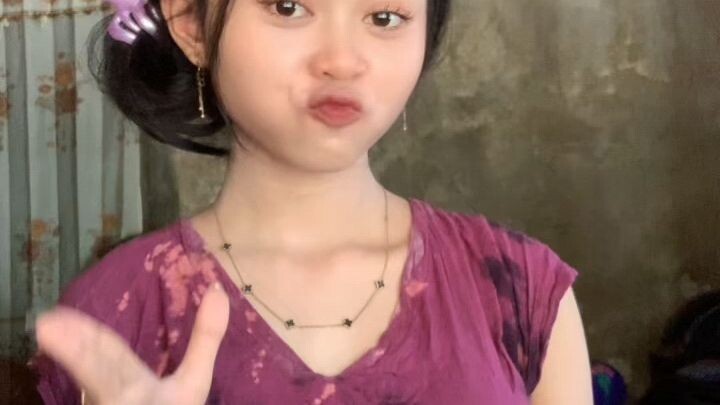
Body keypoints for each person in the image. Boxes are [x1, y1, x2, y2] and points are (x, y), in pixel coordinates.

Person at [28, 0, 593, 403]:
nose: (342, 61)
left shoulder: (524, 289)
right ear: (192, 24)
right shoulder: (114, 312)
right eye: (289, 7)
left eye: (385, 18)